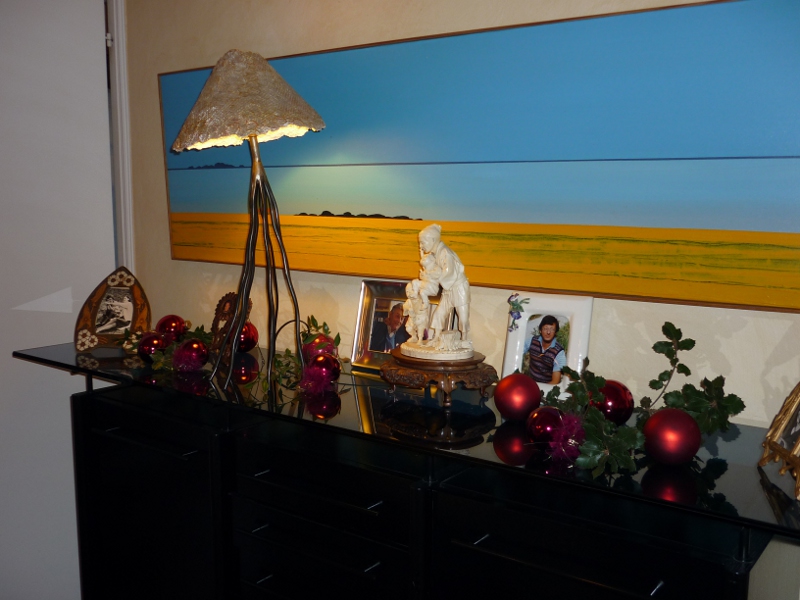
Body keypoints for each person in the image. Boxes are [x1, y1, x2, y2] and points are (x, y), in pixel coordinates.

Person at [418, 224, 470, 347]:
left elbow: (448, 272)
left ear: (432, 240)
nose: (421, 246)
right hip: (448, 289)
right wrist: (427, 275)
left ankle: (465, 339)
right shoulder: (435, 254)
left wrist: (433, 276)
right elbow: (435, 270)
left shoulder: (445, 252)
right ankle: (436, 337)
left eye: (422, 242)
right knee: (439, 313)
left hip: (459, 287)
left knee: (463, 317)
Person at [526, 315, 566, 384]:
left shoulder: (559, 353)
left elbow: (555, 381)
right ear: (540, 330)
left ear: (555, 332)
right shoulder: (532, 341)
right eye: (545, 328)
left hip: (547, 386)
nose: (548, 332)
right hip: (530, 381)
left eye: (552, 329)